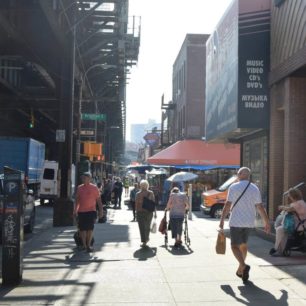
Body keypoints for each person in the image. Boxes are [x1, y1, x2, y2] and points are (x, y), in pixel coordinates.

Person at [219, 167, 270, 283]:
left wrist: (222, 219)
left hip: (236, 221)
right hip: (249, 222)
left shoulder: (234, 187)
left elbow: (227, 204)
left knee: (234, 246)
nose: (237, 175)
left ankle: (243, 265)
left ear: (241, 174)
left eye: (238, 173)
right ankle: (240, 269)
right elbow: (260, 207)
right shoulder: (254, 188)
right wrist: (266, 221)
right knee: (243, 245)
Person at [270, 188, 306, 256]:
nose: (289, 197)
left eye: (289, 196)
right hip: (302, 225)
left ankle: (277, 249)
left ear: (293, 196)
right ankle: (281, 249)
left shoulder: (296, 204)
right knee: (282, 229)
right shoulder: (302, 202)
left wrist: (282, 207)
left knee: (279, 229)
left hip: (298, 226)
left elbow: (289, 209)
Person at [74, 172, 103, 252]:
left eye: (85, 178)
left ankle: (88, 245)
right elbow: (77, 200)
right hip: (81, 211)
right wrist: (75, 210)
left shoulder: (94, 188)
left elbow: (99, 201)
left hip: (91, 211)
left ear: (89, 179)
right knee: (82, 229)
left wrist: (101, 211)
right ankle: (84, 245)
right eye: (82, 178)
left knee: (90, 229)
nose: (83, 179)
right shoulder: (79, 188)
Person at [135, 179, 155, 247]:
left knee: (141, 227)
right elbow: (153, 203)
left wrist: (136, 212)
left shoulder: (138, 194)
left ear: (140, 186)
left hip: (140, 212)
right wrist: (155, 212)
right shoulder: (151, 193)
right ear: (147, 185)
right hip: (149, 212)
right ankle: (146, 238)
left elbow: (136, 204)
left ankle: (144, 241)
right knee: (147, 226)